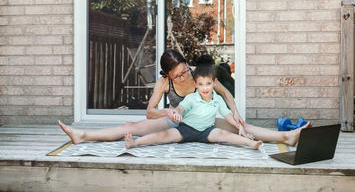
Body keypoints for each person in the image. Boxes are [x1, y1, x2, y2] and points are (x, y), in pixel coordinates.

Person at [58, 49, 310, 146]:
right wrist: (168, 111)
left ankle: (287, 137)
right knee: (131, 127)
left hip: (205, 120)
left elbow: (225, 94)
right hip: (178, 121)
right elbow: (149, 112)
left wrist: (234, 113)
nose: (182, 77)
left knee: (242, 126)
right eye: (176, 76)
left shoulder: (200, 75)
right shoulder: (163, 82)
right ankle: (82, 135)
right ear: (167, 75)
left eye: (184, 71)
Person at [125, 65, 262, 150]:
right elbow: (181, 108)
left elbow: (228, 116)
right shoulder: (191, 98)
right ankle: (135, 143)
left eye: (208, 84)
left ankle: (249, 143)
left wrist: (240, 127)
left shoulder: (218, 99)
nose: (205, 88)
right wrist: (177, 112)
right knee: (163, 135)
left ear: (214, 83)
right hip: (186, 130)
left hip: (207, 131)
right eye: (201, 84)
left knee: (224, 134)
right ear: (196, 85)